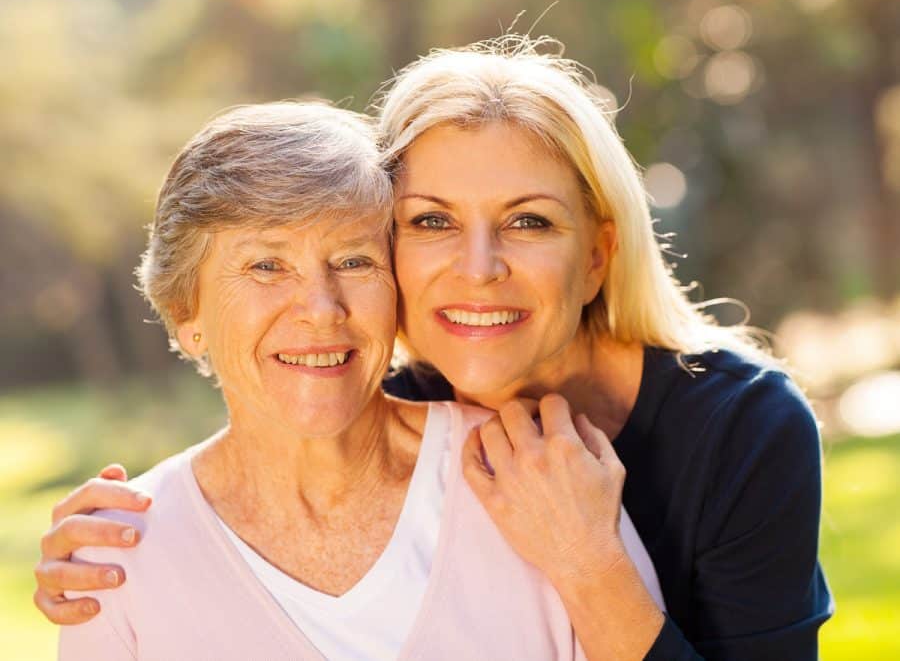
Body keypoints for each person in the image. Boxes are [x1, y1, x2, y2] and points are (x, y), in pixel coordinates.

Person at [37, 36, 831, 659]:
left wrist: (588, 563)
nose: (478, 270)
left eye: (528, 220)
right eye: (431, 222)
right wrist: (139, 531)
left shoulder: (740, 426)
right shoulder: (390, 398)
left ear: (597, 254)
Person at [53, 100, 662, 660]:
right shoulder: (118, 558)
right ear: (188, 315)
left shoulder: (543, 476)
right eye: (267, 265)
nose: (322, 307)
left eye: (353, 261)